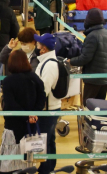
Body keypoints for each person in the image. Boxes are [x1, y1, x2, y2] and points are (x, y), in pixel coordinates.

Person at [0, 49, 45, 169]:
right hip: (32, 126)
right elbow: (42, 97)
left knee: (9, 164)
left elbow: (10, 104)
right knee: (28, 162)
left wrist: (26, 116)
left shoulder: (8, 81)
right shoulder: (35, 78)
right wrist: (34, 114)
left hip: (13, 126)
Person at [65, 8, 107, 105]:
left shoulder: (92, 36)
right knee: (100, 106)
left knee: (88, 105)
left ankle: (86, 120)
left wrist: (71, 61)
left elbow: (85, 58)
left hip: (93, 79)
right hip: (105, 77)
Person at [33, 32, 61, 174]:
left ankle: (46, 169)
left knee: (46, 141)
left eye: (38, 43)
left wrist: (36, 109)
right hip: (50, 108)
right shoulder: (45, 62)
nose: (36, 46)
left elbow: (44, 90)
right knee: (49, 140)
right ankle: (49, 168)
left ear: (44, 48)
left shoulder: (49, 65)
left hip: (48, 110)